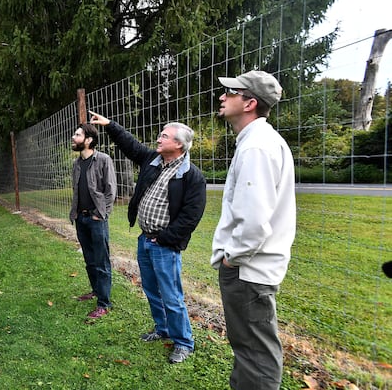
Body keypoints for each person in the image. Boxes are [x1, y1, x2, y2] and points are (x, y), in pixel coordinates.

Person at [89, 111, 207, 364]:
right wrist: (110, 125)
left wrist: (164, 238)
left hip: (163, 244)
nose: (159, 138)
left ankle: (184, 342)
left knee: (171, 295)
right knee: (152, 290)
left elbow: (191, 217)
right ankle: (162, 329)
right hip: (145, 240)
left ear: (178, 144)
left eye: (164, 135)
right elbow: (130, 145)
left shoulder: (191, 176)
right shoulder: (153, 160)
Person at [211, 70, 296, 389]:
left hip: (247, 269)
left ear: (249, 103)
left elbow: (254, 221)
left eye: (231, 93)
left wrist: (232, 259)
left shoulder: (256, 147)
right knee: (250, 348)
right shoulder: (258, 142)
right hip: (250, 267)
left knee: (255, 353)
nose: (222, 96)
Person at [69, 123, 117, 320]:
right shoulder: (76, 164)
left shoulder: (103, 160)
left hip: (97, 219)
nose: (73, 137)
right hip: (81, 218)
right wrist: (76, 214)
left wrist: (100, 214)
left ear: (88, 140)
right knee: (89, 260)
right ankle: (96, 290)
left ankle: (104, 303)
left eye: (77, 134)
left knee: (101, 261)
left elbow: (110, 191)